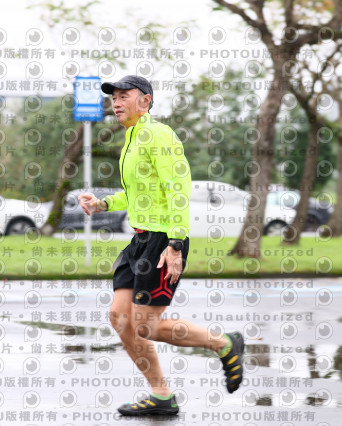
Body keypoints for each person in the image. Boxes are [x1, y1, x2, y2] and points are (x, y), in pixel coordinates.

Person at [77, 75, 245, 416]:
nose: (116, 102)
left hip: (162, 241)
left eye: (124, 96)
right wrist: (103, 204)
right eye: (114, 97)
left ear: (146, 101)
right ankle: (161, 395)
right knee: (120, 318)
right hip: (139, 241)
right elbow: (138, 194)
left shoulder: (159, 135)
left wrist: (176, 244)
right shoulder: (132, 137)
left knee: (145, 325)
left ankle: (224, 343)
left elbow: (177, 189)